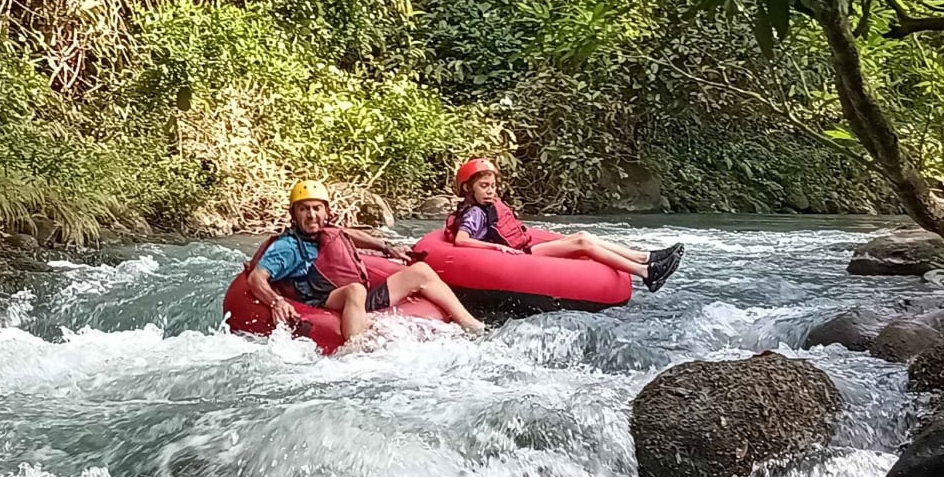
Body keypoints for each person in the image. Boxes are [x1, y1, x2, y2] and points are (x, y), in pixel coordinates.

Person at [248, 179, 485, 341]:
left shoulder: (327, 232)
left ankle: (472, 326)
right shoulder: (287, 247)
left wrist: (387, 247)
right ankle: (355, 349)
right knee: (355, 290)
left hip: (356, 300)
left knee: (421, 271)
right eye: (304, 209)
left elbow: (350, 234)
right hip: (321, 301)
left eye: (317, 208)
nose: (311, 215)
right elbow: (257, 277)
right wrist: (276, 301)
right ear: (294, 213)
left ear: (326, 211)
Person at [445, 158, 684, 291]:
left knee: (583, 235)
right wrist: (496, 247)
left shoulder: (486, 207)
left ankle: (645, 257)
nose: (490, 191)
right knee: (582, 243)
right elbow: (461, 240)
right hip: (519, 256)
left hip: (522, 248)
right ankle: (646, 273)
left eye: (492, 186)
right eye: (483, 186)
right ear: (467, 188)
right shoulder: (474, 213)